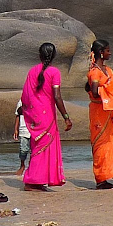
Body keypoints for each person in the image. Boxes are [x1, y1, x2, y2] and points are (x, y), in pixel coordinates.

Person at [20, 42, 73, 192]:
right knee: (44, 148)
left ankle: (39, 180)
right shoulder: (54, 72)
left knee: (37, 147)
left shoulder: (32, 71)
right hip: (47, 116)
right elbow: (57, 96)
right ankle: (32, 181)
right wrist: (66, 116)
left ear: (40, 55)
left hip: (35, 116)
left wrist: (28, 112)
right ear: (54, 55)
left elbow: (25, 96)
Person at [86, 39, 113, 189]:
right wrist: (107, 88)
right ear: (101, 52)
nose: (109, 53)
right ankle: (100, 179)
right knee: (100, 144)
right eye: (107, 50)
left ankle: (108, 175)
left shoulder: (108, 70)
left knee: (111, 143)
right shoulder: (95, 72)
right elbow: (94, 91)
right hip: (98, 111)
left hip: (108, 111)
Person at [13, 100, 30, 176]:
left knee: (34, 151)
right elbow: (18, 116)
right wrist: (16, 129)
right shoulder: (21, 101)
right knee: (23, 149)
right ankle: (22, 165)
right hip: (23, 129)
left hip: (34, 129)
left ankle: (31, 167)